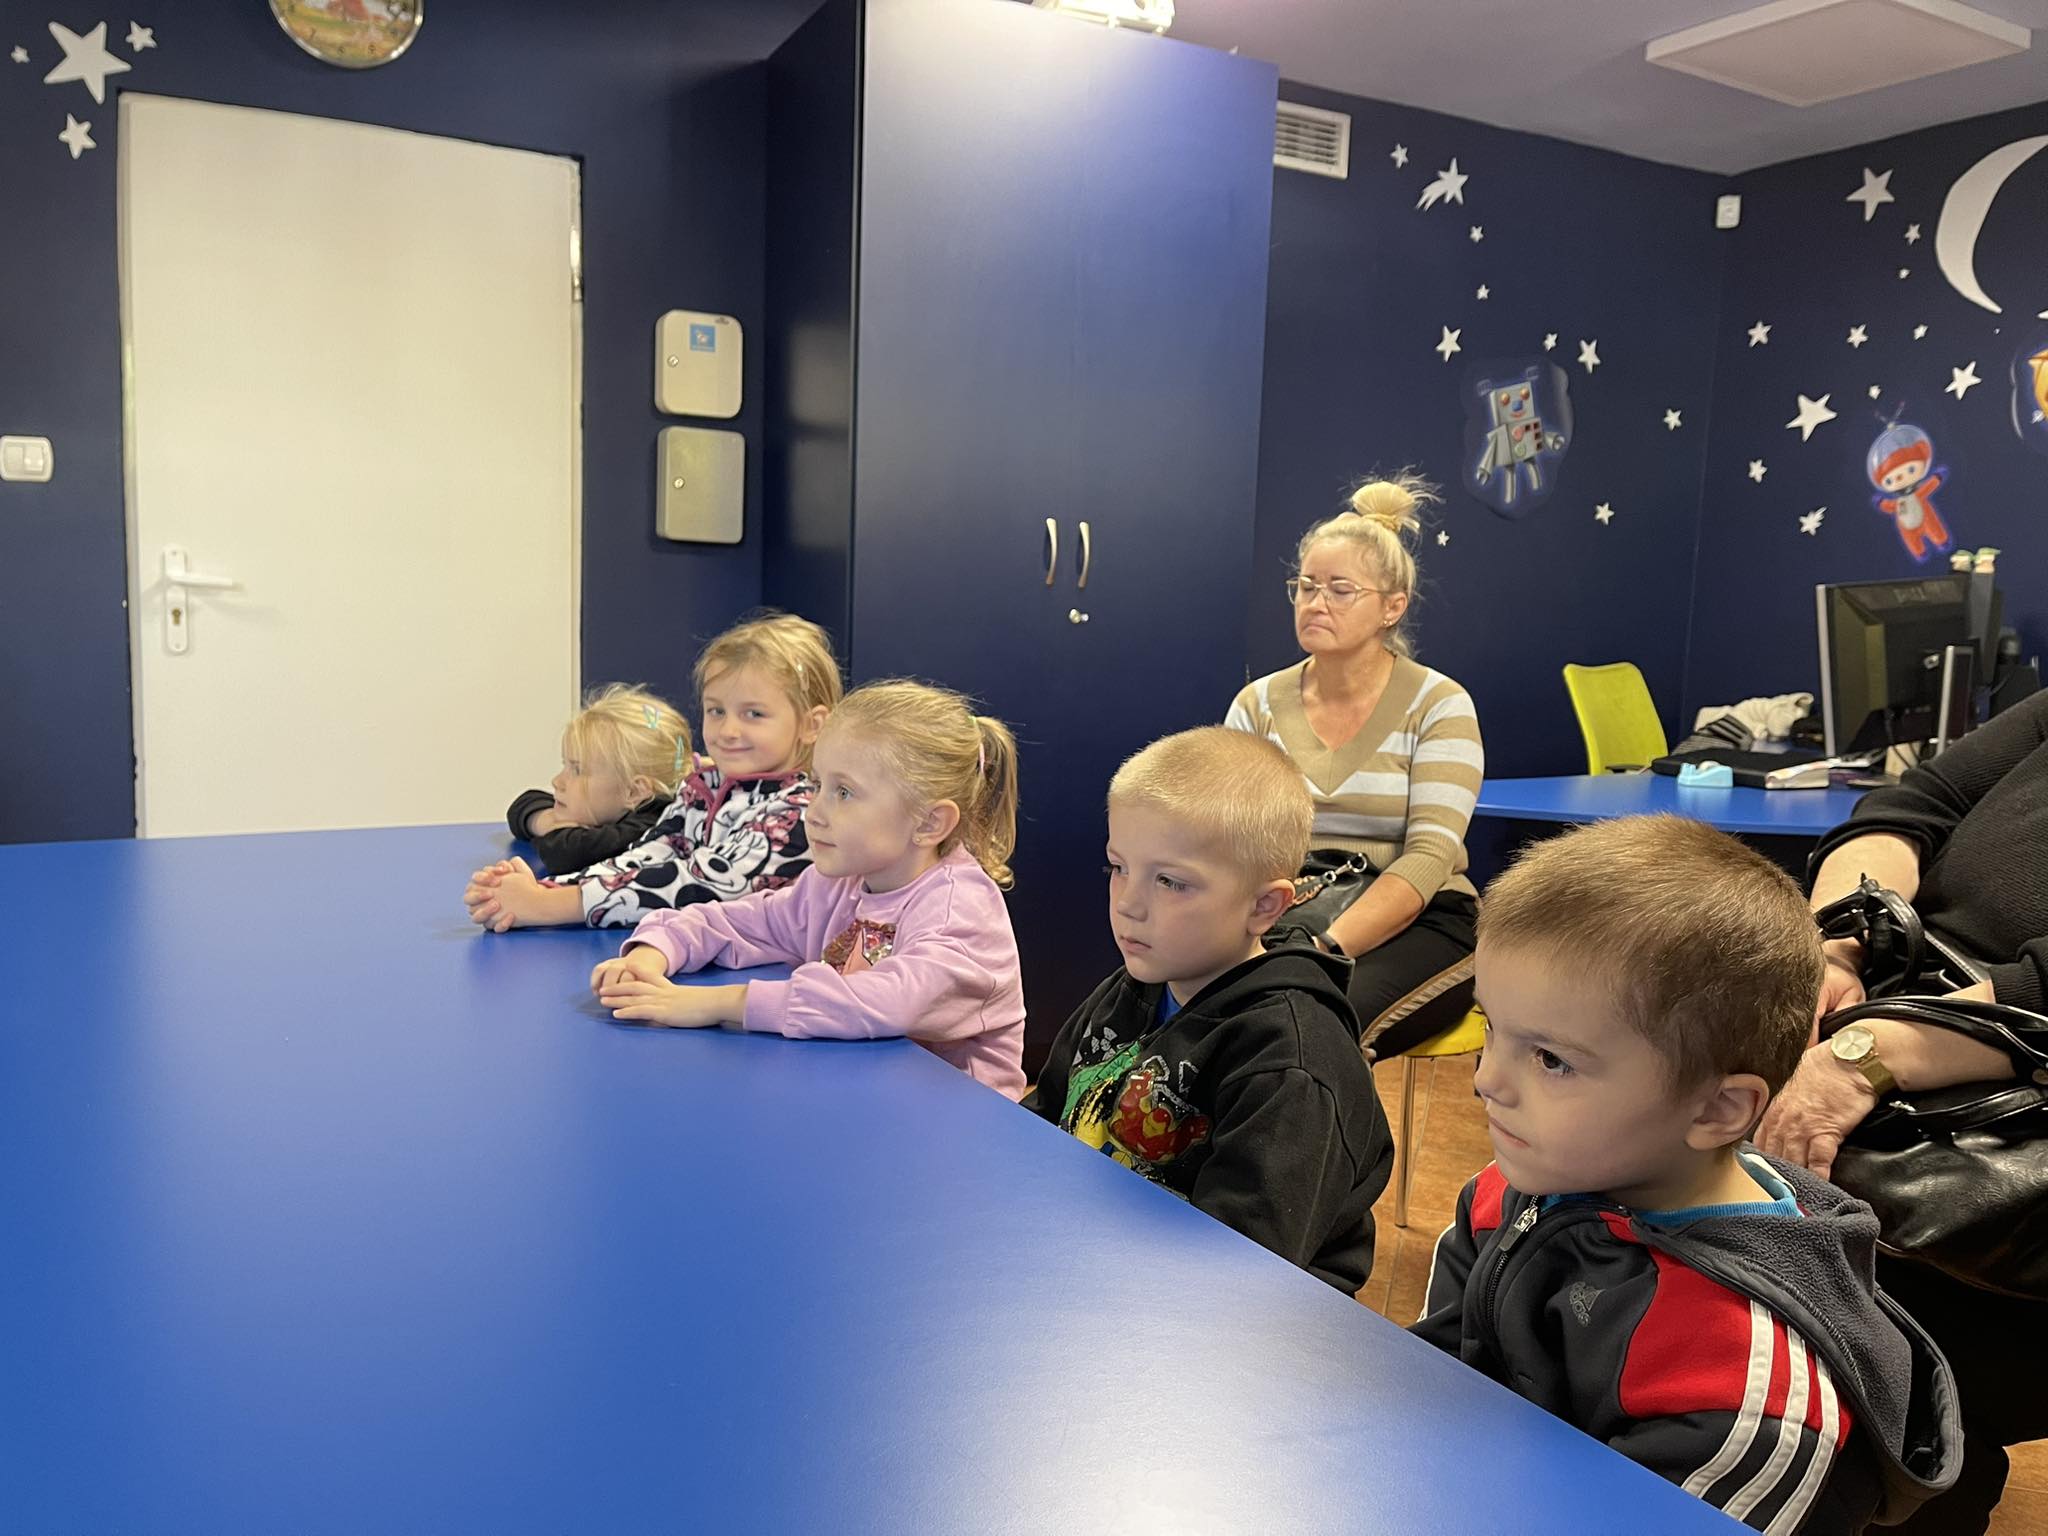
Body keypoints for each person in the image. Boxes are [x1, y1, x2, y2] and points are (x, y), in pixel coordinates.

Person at [1414, 817, 1959, 1534]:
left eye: (1551, 1059)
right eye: (1492, 1029)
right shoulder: (1515, 1189)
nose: (1487, 1080)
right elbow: (1429, 1385)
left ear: (1717, 1110)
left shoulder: (1745, 1387)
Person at [1759, 690, 2048, 1535]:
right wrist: (1838, 942)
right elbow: (1913, 803)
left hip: (2002, 1134)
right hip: (1913, 1007)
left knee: (1893, 1381)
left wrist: (1872, 1053)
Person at [1023, 727, 1392, 1292]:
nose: (1128, 904)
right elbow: (1045, 1116)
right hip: (1091, 1261)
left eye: (1171, 882)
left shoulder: (1289, 1066)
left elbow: (1237, 1272)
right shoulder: (1137, 984)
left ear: (1264, 906)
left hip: (1218, 1317)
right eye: (1118, 867)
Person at [589, 681, 1026, 1098]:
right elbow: (739, 921)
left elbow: (889, 1002)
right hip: (862, 1096)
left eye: (844, 792)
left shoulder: (959, 909)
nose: (812, 812)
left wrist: (713, 1004)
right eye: (818, 785)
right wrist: (652, 954)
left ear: (929, 823)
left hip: (955, 1129)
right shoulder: (837, 882)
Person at [1226, 472, 1483, 1062]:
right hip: (1289, 904)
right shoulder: (1257, 704)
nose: (1316, 602)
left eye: (1340, 590)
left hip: (1420, 918)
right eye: (1305, 586)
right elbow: (1231, 839)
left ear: (1393, 607)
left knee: (1312, 1021)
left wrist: (1321, 947)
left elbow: (1428, 858)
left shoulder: (1440, 705)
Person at [464, 612, 840, 931]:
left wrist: (553, 906)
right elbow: (652, 852)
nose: (728, 730)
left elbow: (704, 884)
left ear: (811, 725)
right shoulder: (705, 786)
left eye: (754, 714)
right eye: (716, 711)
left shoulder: (802, 812)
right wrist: (549, 888)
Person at [504, 685, 691, 873]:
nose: (557, 782)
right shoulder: (617, 807)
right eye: (564, 765)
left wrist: (557, 832)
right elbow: (522, 805)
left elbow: (567, 852)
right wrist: (546, 821)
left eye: (577, 770)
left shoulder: (654, 827)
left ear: (633, 792)